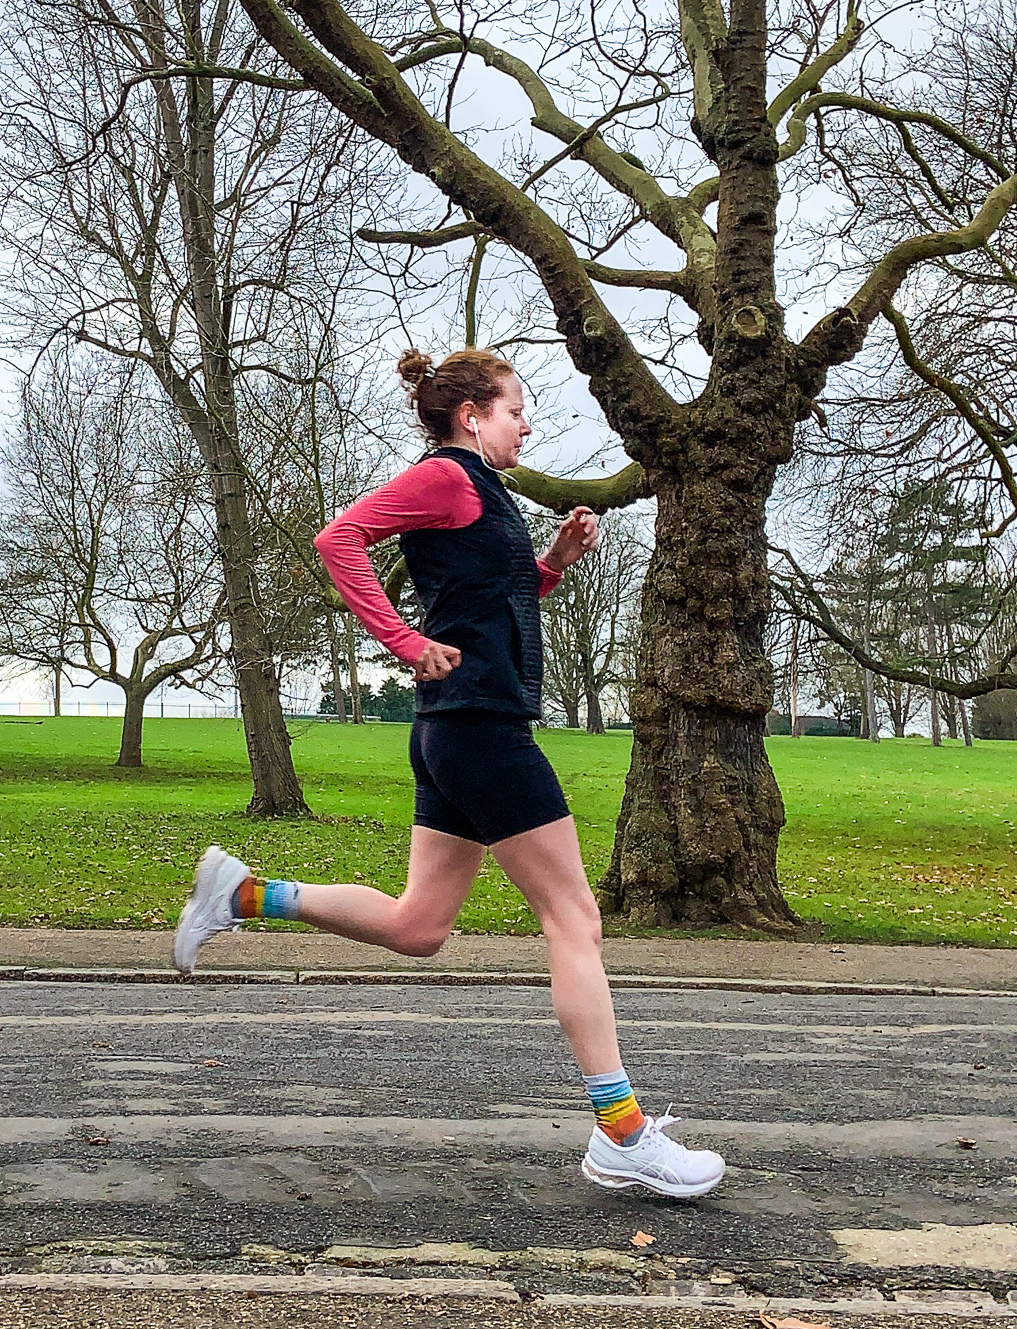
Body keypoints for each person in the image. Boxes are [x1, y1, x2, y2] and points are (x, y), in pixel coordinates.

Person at [172, 347, 726, 1200]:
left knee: (419, 924)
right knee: (575, 917)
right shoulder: (448, 478)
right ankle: (622, 1133)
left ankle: (246, 895)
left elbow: (481, 604)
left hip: (455, 728)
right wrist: (401, 641)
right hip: (479, 729)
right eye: (515, 409)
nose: (526, 424)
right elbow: (339, 538)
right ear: (472, 414)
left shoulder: (484, 491)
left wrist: (555, 564)